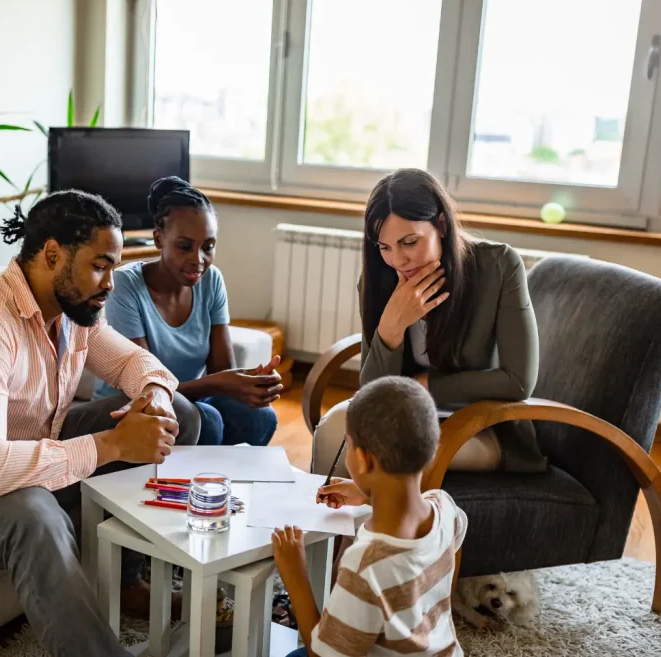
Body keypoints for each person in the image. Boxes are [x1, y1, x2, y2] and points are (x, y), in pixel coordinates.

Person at [0, 190, 201, 657]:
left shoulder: (75, 313)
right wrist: (109, 445)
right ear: (53, 255)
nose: (111, 282)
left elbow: (137, 364)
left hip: (29, 448)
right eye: (100, 265)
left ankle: (129, 578)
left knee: (180, 416)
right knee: (35, 514)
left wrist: (152, 397)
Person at [311, 168, 546, 478]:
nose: (397, 260)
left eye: (409, 242)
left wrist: (425, 386)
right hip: (406, 416)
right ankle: (331, 525)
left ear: (442, 225)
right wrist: (391, 329)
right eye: (384, 247)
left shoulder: (498, 266)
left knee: (384, 449)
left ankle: (375, 525)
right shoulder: (378, 280)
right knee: (332, 430)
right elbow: (371, 391)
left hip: (480, 426)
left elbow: (518, 380)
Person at [274, 376, 467, 657]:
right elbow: (429, 538)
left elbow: (322, 654)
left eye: (348, 446)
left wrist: (296, 576)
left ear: (363, 459)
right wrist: (368, 494)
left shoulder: (365, 563)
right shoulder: (444, 507)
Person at [95, 176, 282, 447]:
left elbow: (221, 372)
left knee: (260, 416)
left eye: (208, 246)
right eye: (185, 246)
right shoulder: (125, 285)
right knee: (207, 419)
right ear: (159, 239)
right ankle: (187, 488)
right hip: (130, 403)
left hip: (188, 398)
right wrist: (223, 383)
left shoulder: (211, 280)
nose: (198, 259)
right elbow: (144, 386)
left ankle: (221, 486)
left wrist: (252, 381)